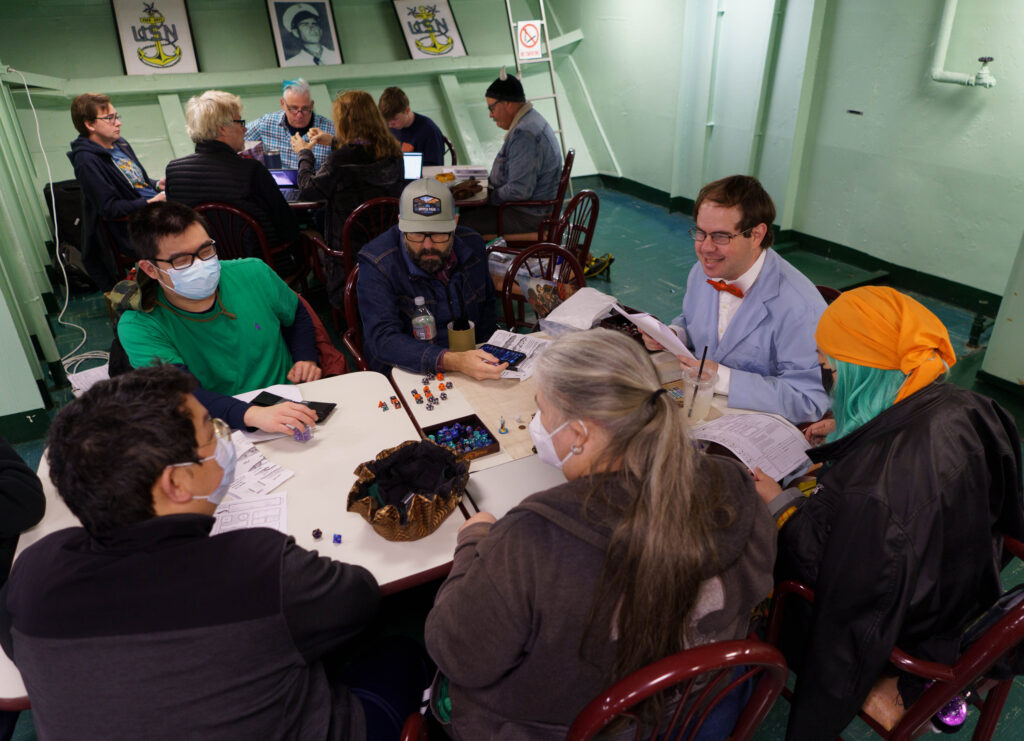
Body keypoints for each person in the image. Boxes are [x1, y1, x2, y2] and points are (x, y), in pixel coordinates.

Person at [0, 365, 428, 741]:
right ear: (177, 483)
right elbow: (360, 599)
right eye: (213, 432)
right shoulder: (258, 566)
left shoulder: (33, 572)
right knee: (401, 652)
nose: (226, 439)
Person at [425, 328, 776, 739]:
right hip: (698, 710)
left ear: (581, 433)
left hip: (576, 727)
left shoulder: (530, 540)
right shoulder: (732, 484)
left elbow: (458, 653)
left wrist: (473, 543)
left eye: (543, 410)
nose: (539, 423)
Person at [753, 286, 1024, 741]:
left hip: (896, 629)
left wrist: (780, 505)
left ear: (861, 375)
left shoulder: (869, 494)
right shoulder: (972, 406)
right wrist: (855, 426)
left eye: (832, 371)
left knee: (749, 569)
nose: (830, 381)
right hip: (963, 582)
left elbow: (833, 582)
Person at [117, 201, 320, 435]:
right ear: (150, 269)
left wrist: (305, 357)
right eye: (181, 260)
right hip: (217, 425)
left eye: (206, 251)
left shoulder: (254, 272)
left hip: (291, 402)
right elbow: (182, 393)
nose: (201, 265)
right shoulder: (140, 324)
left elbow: (296, 313)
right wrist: (252, 414)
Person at [644, 175, 829, 425]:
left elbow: (807, 400)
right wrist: (676, 333)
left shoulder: (799, 307)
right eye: (700, 233)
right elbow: (690, 318)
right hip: (700, 406)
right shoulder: (703, 271)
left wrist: (722, 377)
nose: (706, 248)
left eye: (721, 237)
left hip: (754, 427)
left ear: (756, 234)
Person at [357, 178, 502, 380]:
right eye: (416, 234)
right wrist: (454, 361)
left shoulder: (473, 245)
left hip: (471, 363)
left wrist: (492, 354)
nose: (427, 246)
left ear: (455, 224)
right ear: (401, 224)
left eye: (438, 234)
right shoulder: (377, 263)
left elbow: (487, 310)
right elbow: (383, 340)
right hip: (407, 370)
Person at [165, 89, 299, 272]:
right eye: (240, 121)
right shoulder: (251, 170)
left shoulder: (174, 171)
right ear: (222, 128)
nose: (245, 128)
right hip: (259, 267)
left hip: (205, 269)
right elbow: (288, 228)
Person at [293, 89, 404, 309]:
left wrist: (304, 154)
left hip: (349, 253)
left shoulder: (339, 162)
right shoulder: (393, 153)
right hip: (388, 245)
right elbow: (363, 154)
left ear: (344, 122)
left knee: (305, 233)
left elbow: (308, 188)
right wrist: (334, 141)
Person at [68, 92, 166, 290]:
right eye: (110, 118)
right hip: (133, 227)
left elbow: (137, 182)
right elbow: (109, 208)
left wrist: (156, 185)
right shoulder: (87, 161)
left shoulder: (120, 144)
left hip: (152, 211)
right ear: (90, 125)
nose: (118, 123)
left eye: (116, 116)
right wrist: (149, 203)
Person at [456, 69, 563, 238]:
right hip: (529, 209)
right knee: (468, 211)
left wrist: (488, 197)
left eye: (492, 108)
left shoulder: (525, 134)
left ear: (508, 103)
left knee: (463, 225)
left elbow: (519, 191)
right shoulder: (530, 120)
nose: (491, 115)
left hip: (528, 216)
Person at [246, 78, 335, 171]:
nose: (300, 115)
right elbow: (237, 140)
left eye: (305, 108)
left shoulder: (329, 130)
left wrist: (333, 141)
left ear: (312, 105)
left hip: (315, 184)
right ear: (283, 104)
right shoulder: (266, 123)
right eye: (293, 108)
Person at [378, 86, 446, 167]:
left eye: (394, 119)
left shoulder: (429, 130)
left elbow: (435, 168)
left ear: (407, 110)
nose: (390, 125)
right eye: (386, 120)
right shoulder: (388, 126)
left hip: (420, 177)